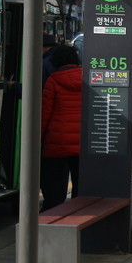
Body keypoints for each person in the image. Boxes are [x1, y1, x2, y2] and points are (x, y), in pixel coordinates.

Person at [40, 45, 82, 210]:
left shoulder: (53, 80)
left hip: (57, 141)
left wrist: (40, 138)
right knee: (81, 187)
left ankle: (53, 216)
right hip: (82, 142)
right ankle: (78, 215)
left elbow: (45, 113)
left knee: (55, 189)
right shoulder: (88, 78)